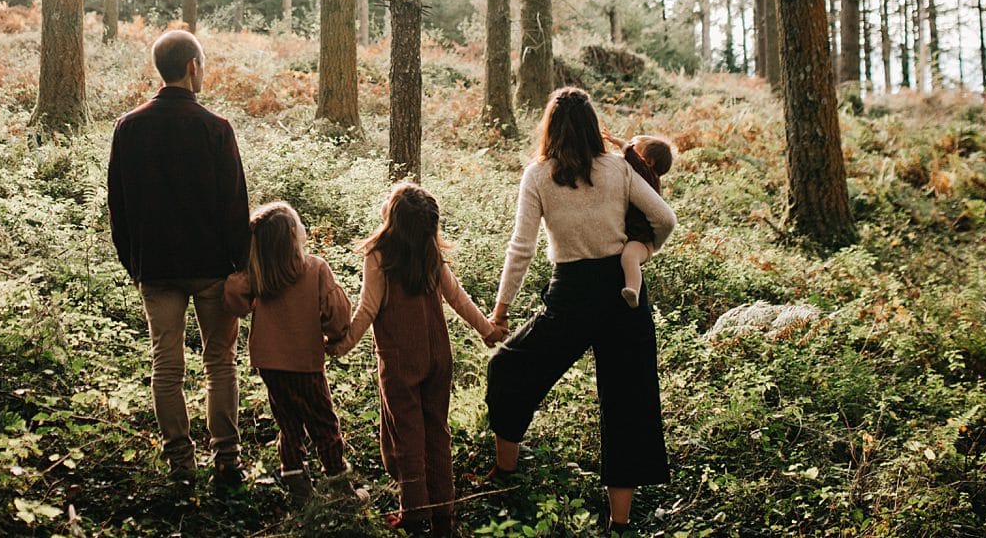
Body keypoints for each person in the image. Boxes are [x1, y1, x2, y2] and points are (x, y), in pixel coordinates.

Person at [485, 88, 677, 537]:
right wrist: (645, 250)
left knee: (510, 369)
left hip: (570, 292)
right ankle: (621, 523)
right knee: (628, 401)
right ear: (594, 126)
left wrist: (501, 310)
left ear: (549, 127)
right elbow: (665, 219)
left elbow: (522, 249)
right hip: (620, 294)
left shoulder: (537, 175)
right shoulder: (619, 167)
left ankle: (506, 472)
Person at [107, 29, 250, 487]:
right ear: (192, 66)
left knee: (166, 366)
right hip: (212, 268)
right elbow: (235, 205)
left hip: (158, 269)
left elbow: (118, 205)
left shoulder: (129, 127)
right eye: (203, 64)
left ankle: (180, 465)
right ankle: (227, 460)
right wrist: (240, 267)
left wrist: (136, 263)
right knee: (220, 362)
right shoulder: (216, 128)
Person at [329, 182, 505, 536]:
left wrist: (343, 343)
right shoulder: (430, 252)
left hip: (399, 359)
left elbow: (368, 307)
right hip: (438, 356)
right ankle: (444, 515)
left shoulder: (380, 254)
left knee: (407, 437)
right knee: (437, 433)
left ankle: (415, 514)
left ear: (393, 219)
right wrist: (486, 329)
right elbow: (458, 297)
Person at [223, 202, 368, 506]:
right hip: (305, 363)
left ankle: (297, 485)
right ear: (293, 234)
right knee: (324, 425)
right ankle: (340, 488)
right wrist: (335, 336)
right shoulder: (314, 268)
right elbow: (337, 312)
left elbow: (234, 298)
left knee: (288, 424)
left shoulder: (258, 274)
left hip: (270, 364)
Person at [615, 135, 675, 309]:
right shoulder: (642, 177)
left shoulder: (649, 177)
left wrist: (622, 145)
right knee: (628, 257)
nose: (630, 149)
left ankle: (633, 291)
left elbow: (634, 162)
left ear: (648, 162)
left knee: (629, 257)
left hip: (642, 241)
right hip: (635, 237)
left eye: (635, 147)